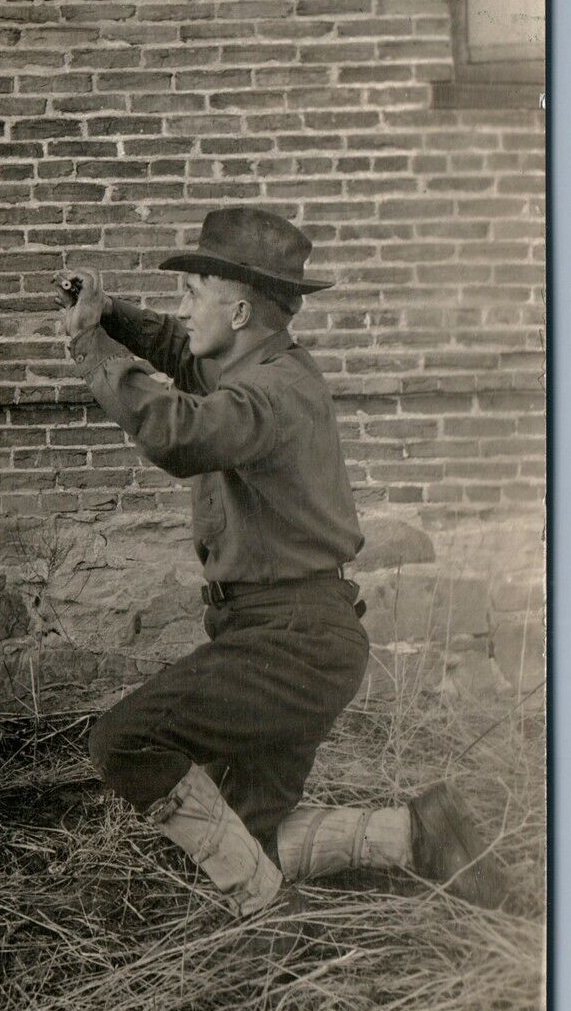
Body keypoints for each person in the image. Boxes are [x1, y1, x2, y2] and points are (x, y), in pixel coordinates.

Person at [60, 206, 505, 914]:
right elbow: (181, 348)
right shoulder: (257, 360)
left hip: (289, 641)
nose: (182, 310)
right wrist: (111, 311)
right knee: (246, 831)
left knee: (124, 741)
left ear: (236, 309)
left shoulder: (270, 392)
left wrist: (93, 349)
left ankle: (261, 915)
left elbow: (177, 432)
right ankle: (418, 837)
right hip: (295, 635)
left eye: (192, 292)